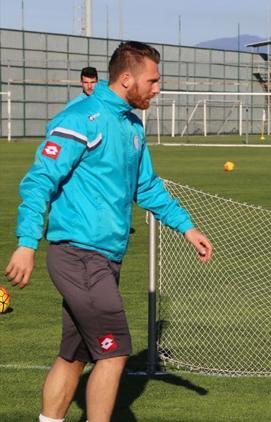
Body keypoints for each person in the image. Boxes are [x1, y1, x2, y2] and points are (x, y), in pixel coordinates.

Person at [3, 41, 213, 422]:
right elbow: (39, 181)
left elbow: (145, 186)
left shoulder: (132, 126)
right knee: (115, 352)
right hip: (78, 255)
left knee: (75, 354)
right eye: (152, 80)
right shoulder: (80, 118)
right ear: (127, 78)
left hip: (104, 259)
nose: (157, 88)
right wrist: (26, 242)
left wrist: (186, 227)